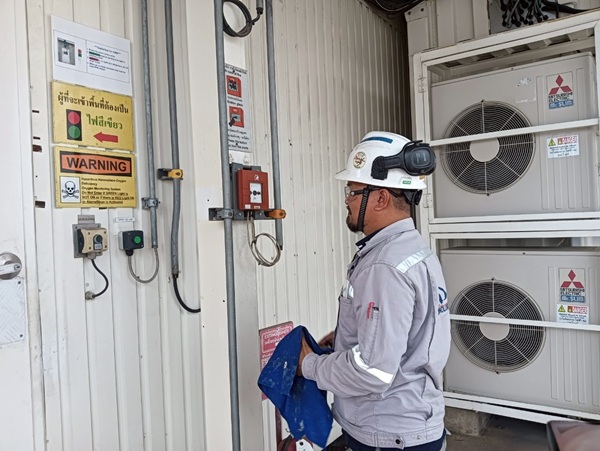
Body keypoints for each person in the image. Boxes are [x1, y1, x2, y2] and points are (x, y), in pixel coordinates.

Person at [297, 131, 451, 451]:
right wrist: (347, 335)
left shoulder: (384, 266)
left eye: (352, 191)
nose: (346, 199)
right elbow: (408, 331)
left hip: (388, 433)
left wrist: (308, 365)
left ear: (380, 198)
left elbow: (373, 371)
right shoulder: (413, 250)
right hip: (412, 424)